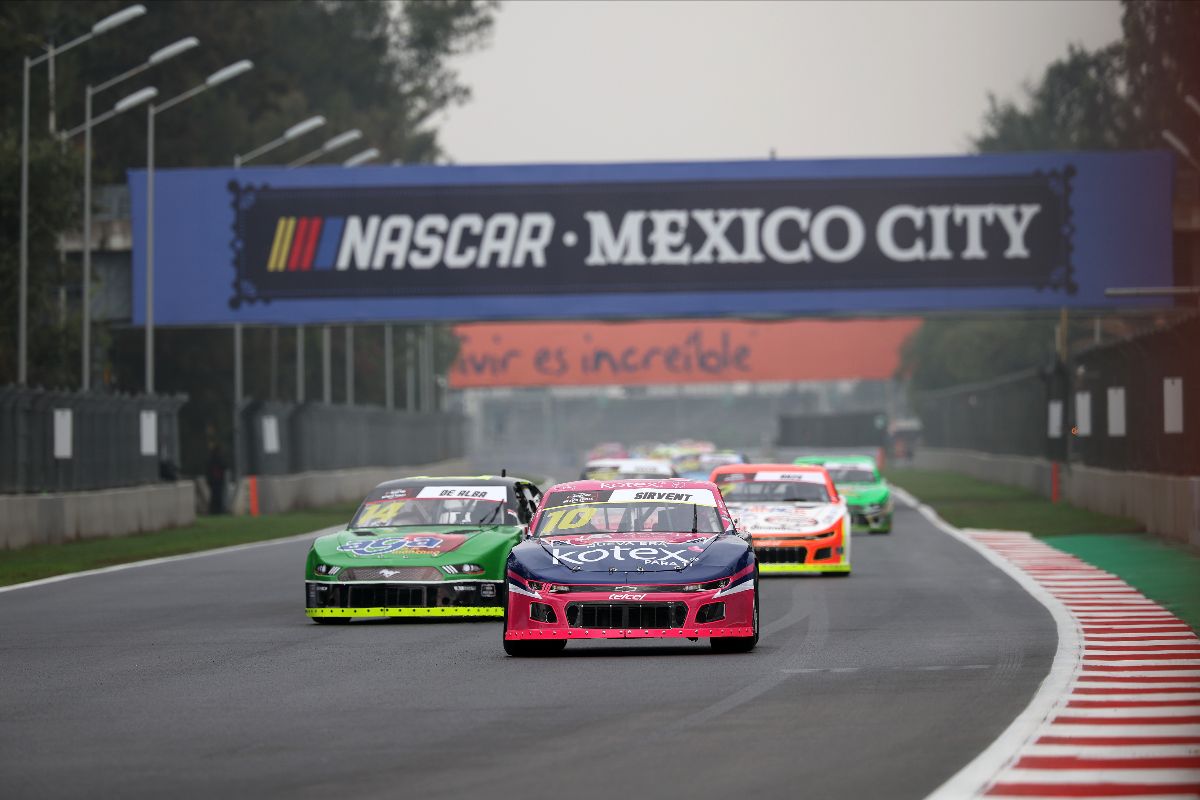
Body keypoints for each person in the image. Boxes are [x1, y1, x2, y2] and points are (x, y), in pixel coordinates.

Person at [206, 429, 228, 515]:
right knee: (217, 495)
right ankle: (216, 510)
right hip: (216, 479)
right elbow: (223, 465)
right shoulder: (217, 458)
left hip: (213, 479)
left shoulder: (211, 458)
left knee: (214, 495)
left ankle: (214, 510)